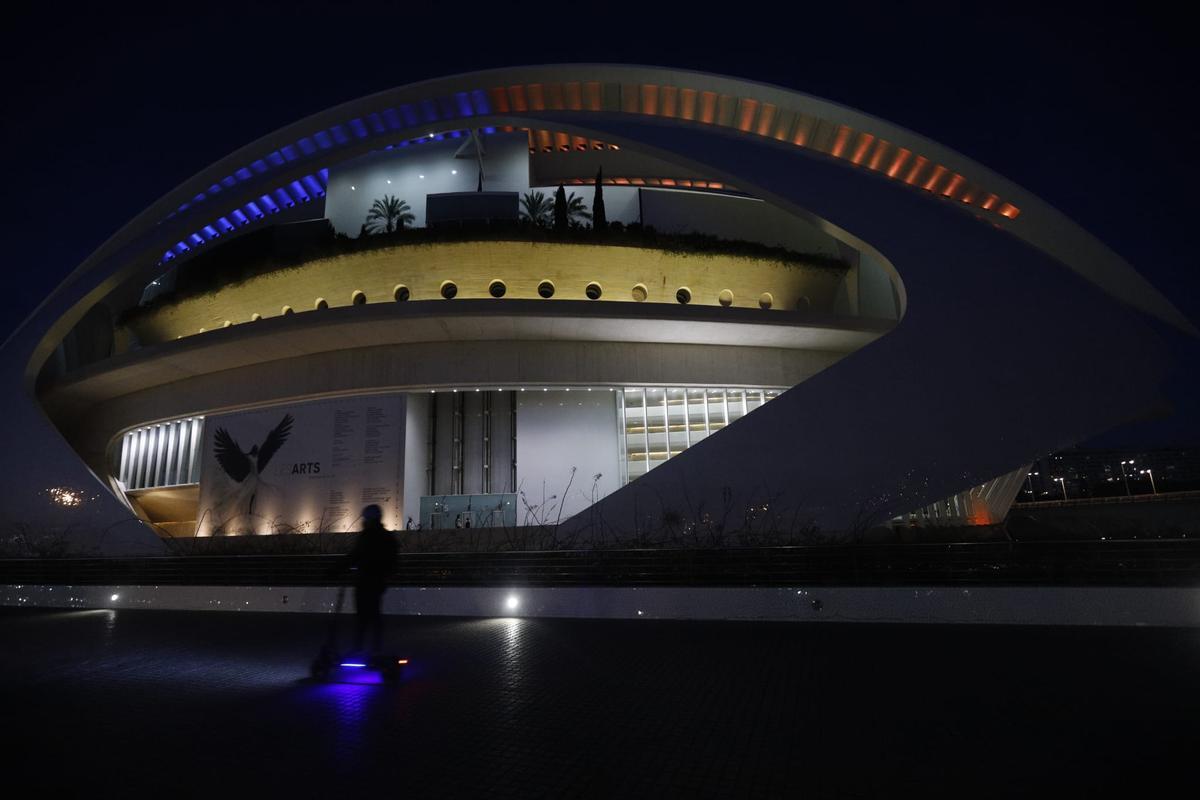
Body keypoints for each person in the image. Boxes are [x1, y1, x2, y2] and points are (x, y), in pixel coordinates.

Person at [346, 504, 397, 657]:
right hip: (377, 582)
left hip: (364, 581)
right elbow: (393, 561)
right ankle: (375, 649)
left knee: (362, 617)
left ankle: (359, 648)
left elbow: (354, 556)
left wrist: (335, 570)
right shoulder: (387, 537)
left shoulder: (365, 537)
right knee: (374, 616)